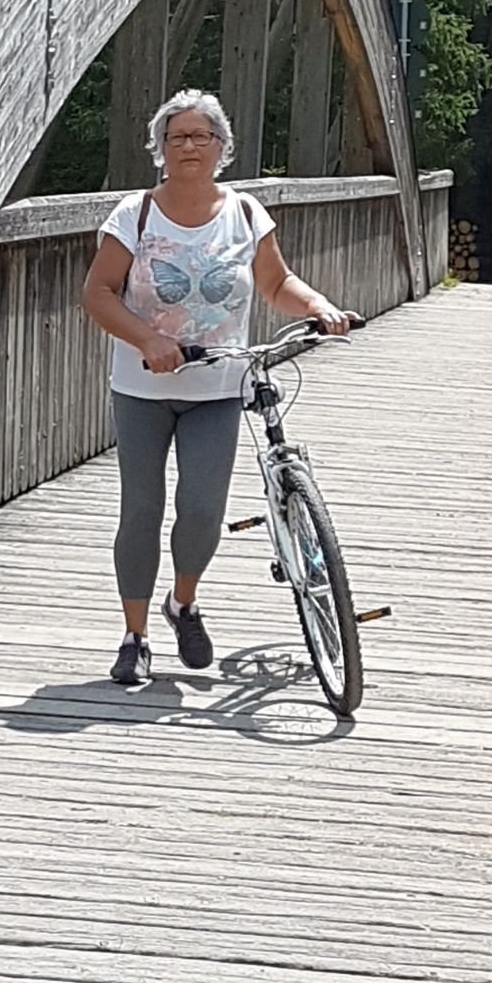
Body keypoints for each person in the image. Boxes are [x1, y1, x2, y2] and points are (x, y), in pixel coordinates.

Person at [82, 88, 352, 686]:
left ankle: (183, 603)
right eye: (176, 137)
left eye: (201, 137)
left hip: (218, 384)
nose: (188, 147)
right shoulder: (134, 217)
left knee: (202, 512)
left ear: (222, 147)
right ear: (159, 149)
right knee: (142, 511)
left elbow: (277, 283)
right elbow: (98, 293)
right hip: (143, 387)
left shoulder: (247, 214)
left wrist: (318, 306)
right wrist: (146, 340)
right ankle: (134, 636)